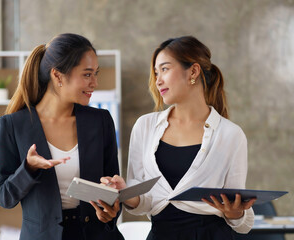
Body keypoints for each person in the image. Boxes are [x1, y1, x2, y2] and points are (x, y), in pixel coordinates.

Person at [101, 36, 256, 240]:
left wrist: (236, 214)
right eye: (156, 73)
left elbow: (242, 218)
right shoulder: (145, 126)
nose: (157, 80)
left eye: (164, 69)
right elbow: (144, 204)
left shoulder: (230, 134)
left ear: (193, 71)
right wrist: (126, 193)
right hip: (161, 234)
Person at [0, 33, 124, 240]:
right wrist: (28, 168)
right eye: (87, 74)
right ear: (57, 76)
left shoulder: (100, 120)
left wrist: (111, 209)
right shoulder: (13, 125)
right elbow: (4, 197)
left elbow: (114, 186)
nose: (95, 83)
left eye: (95, 74)